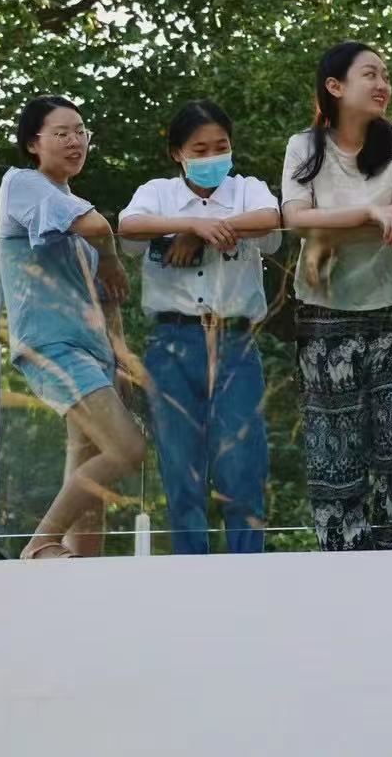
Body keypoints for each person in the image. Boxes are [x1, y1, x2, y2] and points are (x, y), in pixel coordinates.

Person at [280, 41, 392, 551]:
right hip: (323, 314)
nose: (383, 84)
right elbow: (296, 220)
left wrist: (331, 229)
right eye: (370, 74)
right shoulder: (304, 146)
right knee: (334, 456)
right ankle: (342, 572)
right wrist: (369, 214)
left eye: (386, 75)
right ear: (335, 86)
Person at [117, 100, 280, 554]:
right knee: (180, 466)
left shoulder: (247, 189)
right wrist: (191, 223)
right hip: (173, 342)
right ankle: (190, 569)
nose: (212, 157)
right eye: (200, 149)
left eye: (221, 147)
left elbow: (271, 220)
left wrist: (203, 230)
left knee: (242, 463)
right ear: (177, 153)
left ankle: (247, 566)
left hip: (235, 341)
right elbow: (129, 227)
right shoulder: (157, 194)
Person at [0, 96, 147, 560]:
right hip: (52, 344)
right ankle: (39, 543)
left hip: (92, 352)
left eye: (81, 131)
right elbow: (99, 228)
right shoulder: (22, 183)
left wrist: (121, 360)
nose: (75, 141)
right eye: (61, 133)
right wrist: (112, 259)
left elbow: (108, 301)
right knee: (127, 449)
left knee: (90, 470)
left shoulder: (70, 205)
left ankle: (81, 570)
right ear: (33, 143)